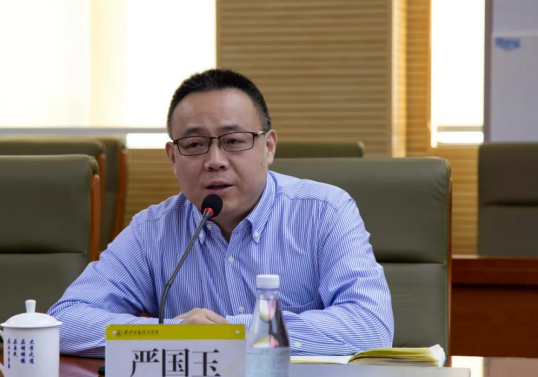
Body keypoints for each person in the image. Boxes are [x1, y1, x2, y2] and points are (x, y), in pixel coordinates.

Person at [48, 69, 394, 357]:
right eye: (194, 145)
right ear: (172, 157)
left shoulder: (325, 213)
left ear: (269, 147)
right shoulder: (153, 229)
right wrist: (175, 332)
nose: (215, 161)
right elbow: (65, 321)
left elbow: (371, 326)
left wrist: (232, 332)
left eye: (234, 141)